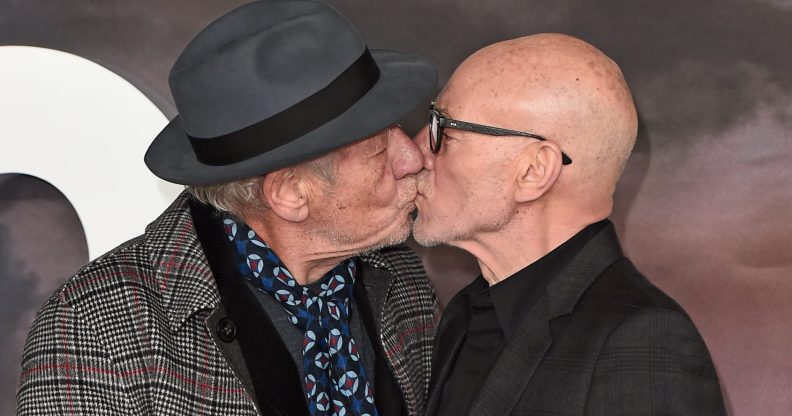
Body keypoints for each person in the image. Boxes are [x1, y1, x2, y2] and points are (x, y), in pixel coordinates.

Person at [16, 1, 439, 415]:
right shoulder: (94, 331)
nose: (414, 158)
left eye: (396, 127)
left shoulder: (400, 279)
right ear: (291, 194)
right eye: (379, 149)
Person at [413, 33, 726, 415]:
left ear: (533, 171)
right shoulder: (466, 314)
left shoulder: (641, 341)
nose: (416, 153)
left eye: (444, 129)